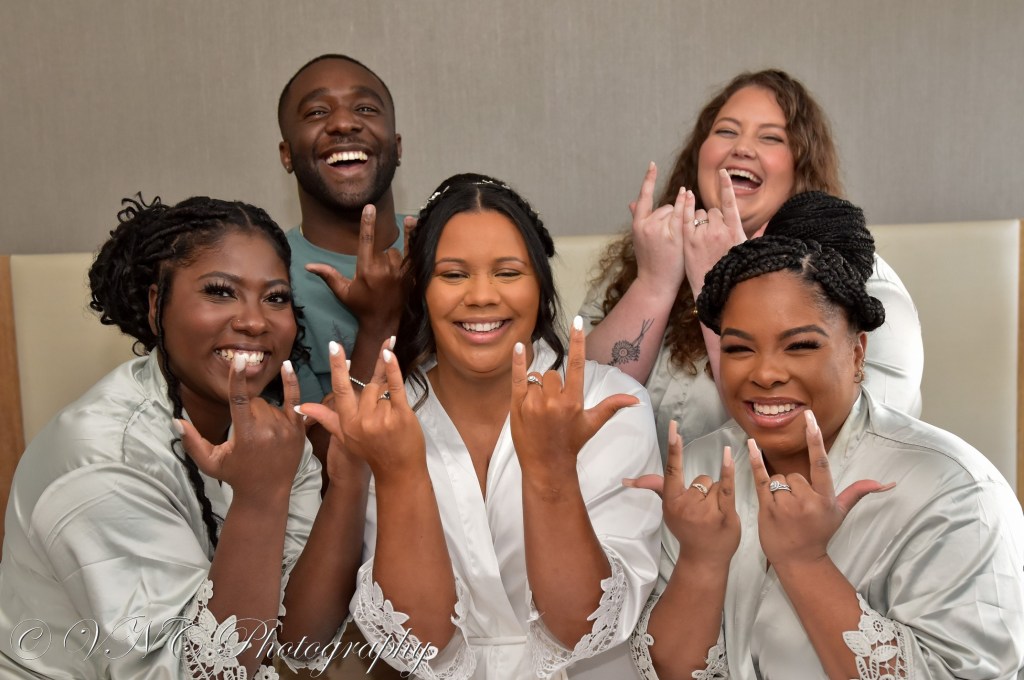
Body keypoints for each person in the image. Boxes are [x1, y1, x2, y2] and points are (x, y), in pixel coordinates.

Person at [625, 197, 1024, 678]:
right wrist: (701, 562)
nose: (765, 373)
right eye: (739, 349)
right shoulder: (700, 469)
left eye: (800, 346)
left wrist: (804, 561)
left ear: (858, 353)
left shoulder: (954, 493)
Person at [300, 174, 663, 678]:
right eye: (453, 275)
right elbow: (419, 643)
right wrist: (400, 472)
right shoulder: (387, 418)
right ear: (421, 290)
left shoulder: (610, 405)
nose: (481, 296)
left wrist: (551, 469)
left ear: (541, 285)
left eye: (508, 272)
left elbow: (583, 627)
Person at [0, 195, 366, 678]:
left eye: (275, 297)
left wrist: (350, 475)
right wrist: (259, 498)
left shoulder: (271, 432)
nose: (254, 320)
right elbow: (190, 672)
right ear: (157, 306)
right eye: (220, 291)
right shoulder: (103, 458)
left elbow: (300, 638)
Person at [580, 69, 923, 456]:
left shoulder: (860, 284)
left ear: (801, 168)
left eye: (771, 137)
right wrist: (653, 284)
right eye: (726, 131)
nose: (742, 148)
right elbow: (582, 408)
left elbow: (848, 448)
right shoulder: (643, 259)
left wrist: (722, 279)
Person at [277, 53, 408, 404]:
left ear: (397, 147)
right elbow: (311, 441)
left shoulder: (448, 245)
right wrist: (378, 323)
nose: (344, 123)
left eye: (365, 108)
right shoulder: (270, 280)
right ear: (286, 155)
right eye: (317, 112)